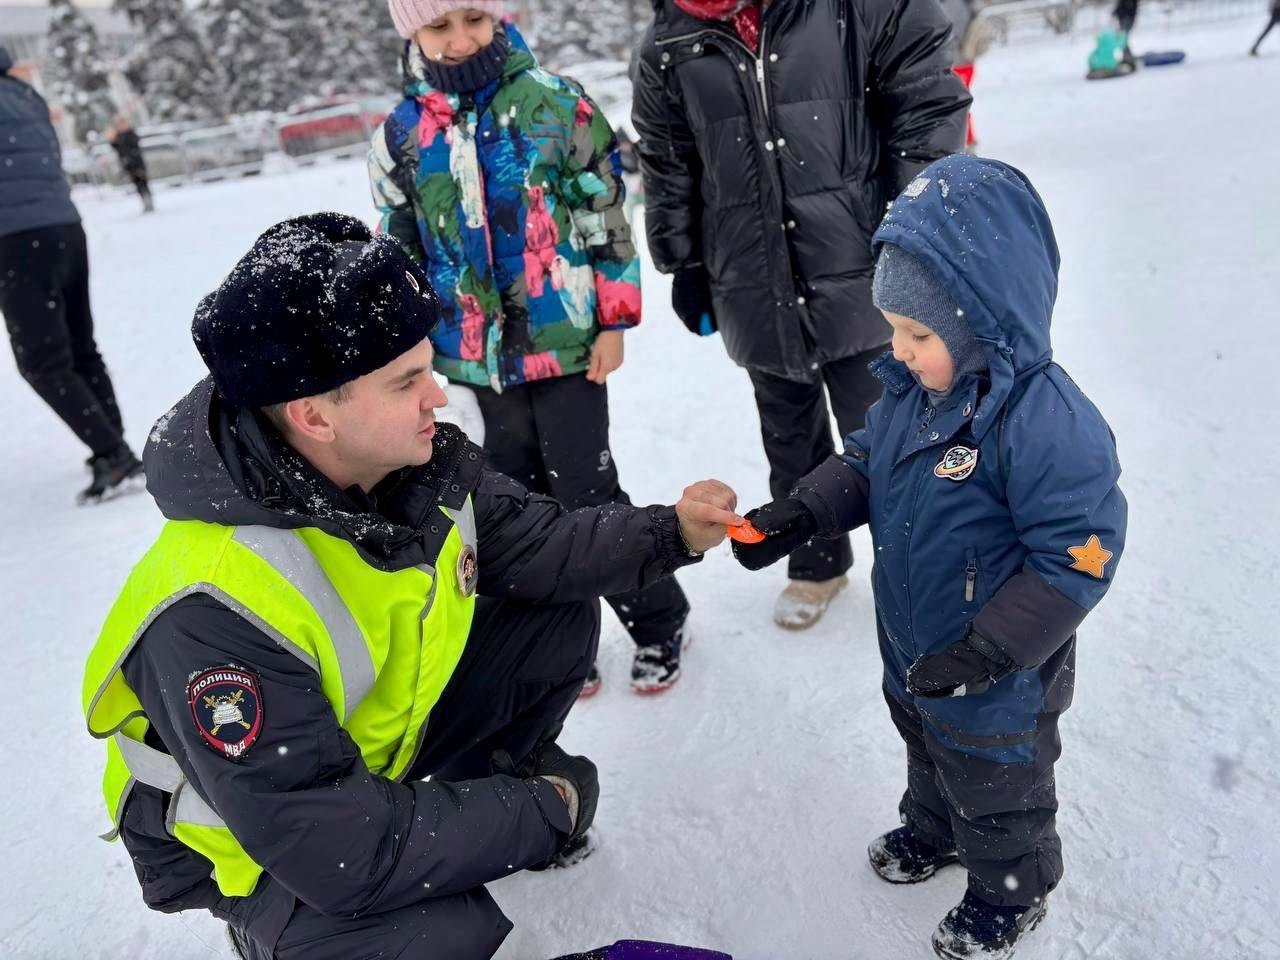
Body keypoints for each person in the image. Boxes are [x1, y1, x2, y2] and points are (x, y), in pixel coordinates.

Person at [81, 213, 743, 959]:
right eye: (407, 382)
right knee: (438, 935)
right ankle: (270, 928)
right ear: (313, 416)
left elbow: (546, 546)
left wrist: (674, 532)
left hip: (364, 759)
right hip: (251, 842)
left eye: (428, 368)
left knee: (554, 610)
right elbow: (340, 848)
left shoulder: (401, 468)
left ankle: (452, 808)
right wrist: (541, 811)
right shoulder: (215, 607)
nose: (438, 395)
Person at [730, 156, 1127, 959]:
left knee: (998, 781)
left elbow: (1076, 557)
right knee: (927, 746)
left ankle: (1011, 890)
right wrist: (802, 513)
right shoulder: (915, 395)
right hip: (915, 644)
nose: (900, 350)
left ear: (984, 318)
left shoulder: (1043, 421)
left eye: (919, 334)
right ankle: (935, 829)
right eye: (894, 329)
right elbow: (866, 462)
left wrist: (992, 650)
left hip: (1002, 670)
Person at [369, 2, 692, 696]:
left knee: (585, 491)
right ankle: (557, 640)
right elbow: (400, 247)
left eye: (473, 19)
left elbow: (604, 212)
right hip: (470, 358)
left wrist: (614, 322)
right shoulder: (400, 134)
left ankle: (659, 619)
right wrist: (411, 347)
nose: (460, 40)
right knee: (512, 506)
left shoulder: (555, 103)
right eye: (438, 27)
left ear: (497, 17)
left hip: (567, 343)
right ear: (412, 34)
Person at [632, 0, 971, 630]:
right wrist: (683, 260)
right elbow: (667, 158)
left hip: (863, 265)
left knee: (895, 431)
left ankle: (926, 569)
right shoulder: (669, 43)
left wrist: (913, 229)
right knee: (790, 438)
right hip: (750, 275)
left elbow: (926, 104)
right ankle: (817, 563)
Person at [0, 45, 143, 503]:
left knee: (42, 361)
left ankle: (113, 454)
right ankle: (113, 444)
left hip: (16, 238)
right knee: (80, 348)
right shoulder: (24, 93)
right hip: (64, 228)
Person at [106, 116, 154, 213]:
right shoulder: (119, 136)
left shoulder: (131, 134)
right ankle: (144, 202)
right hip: (128, 164)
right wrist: (111, 138)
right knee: (137, 184)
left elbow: (134, 146)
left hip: (137, 163)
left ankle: (149, 201)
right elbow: (116, 147)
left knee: (143, 182)